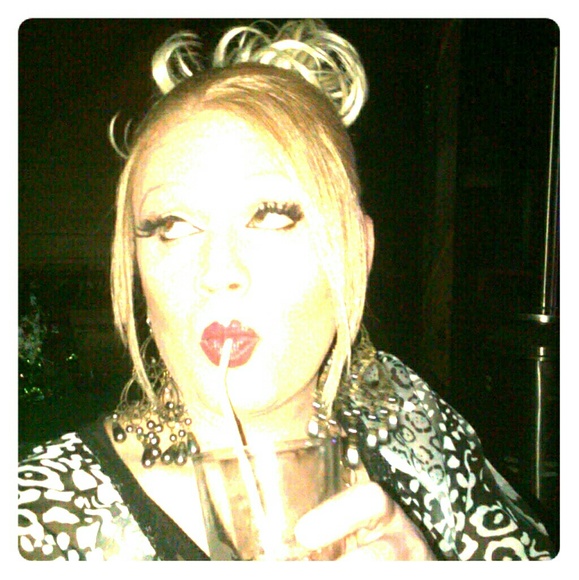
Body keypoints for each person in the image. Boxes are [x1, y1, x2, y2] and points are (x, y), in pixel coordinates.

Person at [18, 19, 554, 561]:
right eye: (173, 226)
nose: (218, 271)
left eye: (271, 216)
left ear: (357, 253)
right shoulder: (36, 523)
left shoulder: (407, 411)